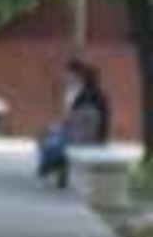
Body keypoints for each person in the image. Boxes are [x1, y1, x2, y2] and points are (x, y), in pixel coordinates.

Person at [37, 57, 111, 187]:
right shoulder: (80, 93)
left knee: (53, 143)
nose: (64, 76)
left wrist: (60, 128)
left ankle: (49, 168)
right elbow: (72, 119)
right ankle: (54, 171)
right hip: (80, 132)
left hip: (88, 135)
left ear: (79, 76)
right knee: (47, 136)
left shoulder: (88, 95)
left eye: (67, 73)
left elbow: (82, 121)